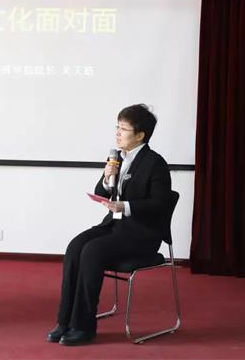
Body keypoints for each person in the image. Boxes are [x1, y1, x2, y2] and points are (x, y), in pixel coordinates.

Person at [47, 104, 174, 346]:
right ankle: (65, 321)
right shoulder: (116, 158)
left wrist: (124, 206)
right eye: (117, 127)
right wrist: (107, 177)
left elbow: (160, 203)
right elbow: (101, 191)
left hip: (142, 234)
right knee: (75, 246)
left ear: (140, 135)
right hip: (115, 227)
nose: (117, 133)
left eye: (123, 129)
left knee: (92, 251)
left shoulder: (155, 164)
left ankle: (83, 326)